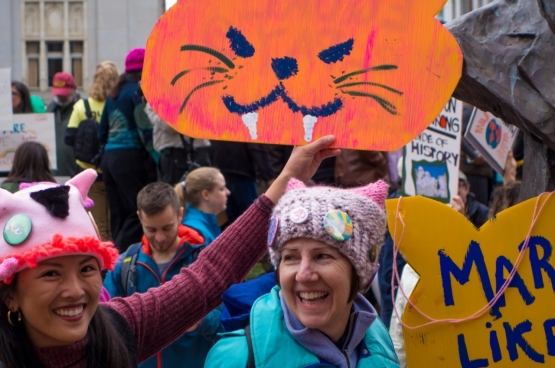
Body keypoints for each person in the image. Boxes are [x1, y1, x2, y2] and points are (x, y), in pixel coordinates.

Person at [0, 135, 340, 368]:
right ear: (10, 293)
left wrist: (286, 181)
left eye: (87, 269)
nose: (75, 290)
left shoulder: (118, 329)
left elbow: (207, 278)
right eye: (51, 273)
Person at [205, 178, 400, 367]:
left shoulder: (379, 341)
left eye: (322, 256)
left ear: (360, 272)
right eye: (291, 257)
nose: (303, 275)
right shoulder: (236, 357)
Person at [104, 181, 223, 367]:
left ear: (180, 215)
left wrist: (202, 320)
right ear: (139, 218)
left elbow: (230, 320)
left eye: (167, 228)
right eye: (151, 229)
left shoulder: (203, 261)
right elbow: (105, 321)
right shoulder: (124, 265)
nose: (159, 237)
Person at [98, 48, 157, 251]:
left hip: (109, 158)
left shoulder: (113, 93)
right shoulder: (137, 92)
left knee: (117, 211)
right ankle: (122, 255)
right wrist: (157, 156)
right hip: (130, 157)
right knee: (138, 208)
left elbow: (101, 130)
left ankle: (112, 259)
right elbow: (145, 128)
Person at [65, 61, 119, 241]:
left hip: (87, 173)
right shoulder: (116, 105)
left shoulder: (82, 106)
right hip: (113, 170)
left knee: (96, 224)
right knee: (115, 223)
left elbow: (69, 137)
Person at [209, 141, 275, 224]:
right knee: (251, 217)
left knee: (233, 219)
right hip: (242, 173)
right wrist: (269, 177)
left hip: (222, 172)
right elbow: (257, 148)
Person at [174, 167, 230, 245]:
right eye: (221, 189)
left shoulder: (204, 223)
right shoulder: (195, 234)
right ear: (206, 194)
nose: (228, 192)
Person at [47, 72, 80, 177]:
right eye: (58, 94)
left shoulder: (82, 108)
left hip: (75, 172)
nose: (61, 97)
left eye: (64, 94)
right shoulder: (50, 108)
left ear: (74, 88)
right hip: (53, 172)